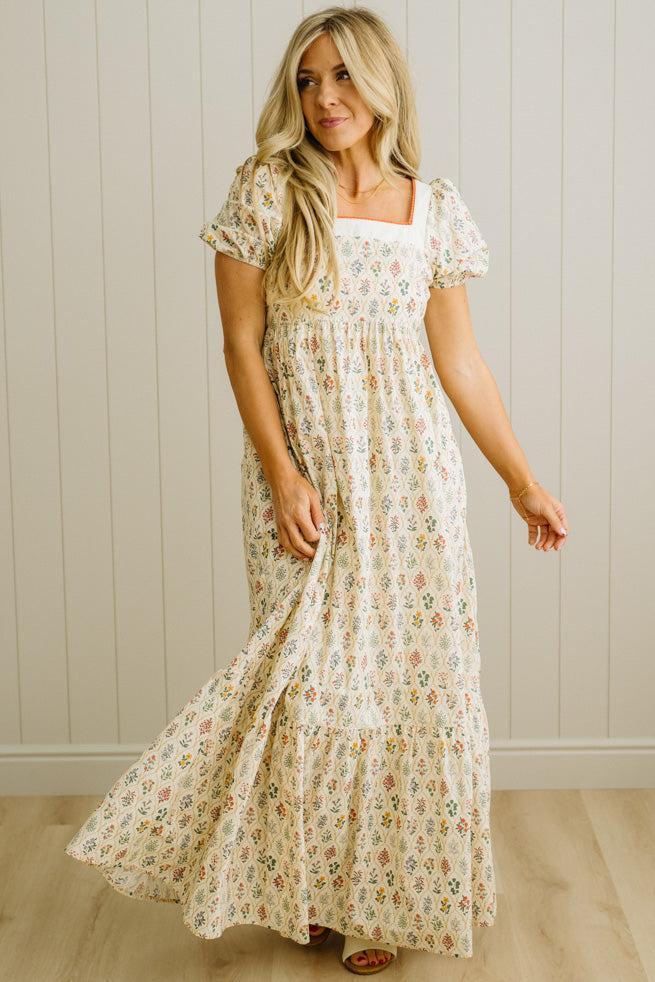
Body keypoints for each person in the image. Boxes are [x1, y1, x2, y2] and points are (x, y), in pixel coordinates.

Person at [65, 6, 570, 975]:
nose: (324, 98)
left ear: (380, 84)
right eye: (306, 80)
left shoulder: (432, 208)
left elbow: (459, 362)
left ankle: (382, 901)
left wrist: (520, 478)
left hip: (414, 484)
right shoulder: (267, 192)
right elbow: (241, 348)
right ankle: (309, 887)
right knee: (316, 690)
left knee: (408, 692)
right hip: (307, 487)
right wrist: (283, 469)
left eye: (341, 77)